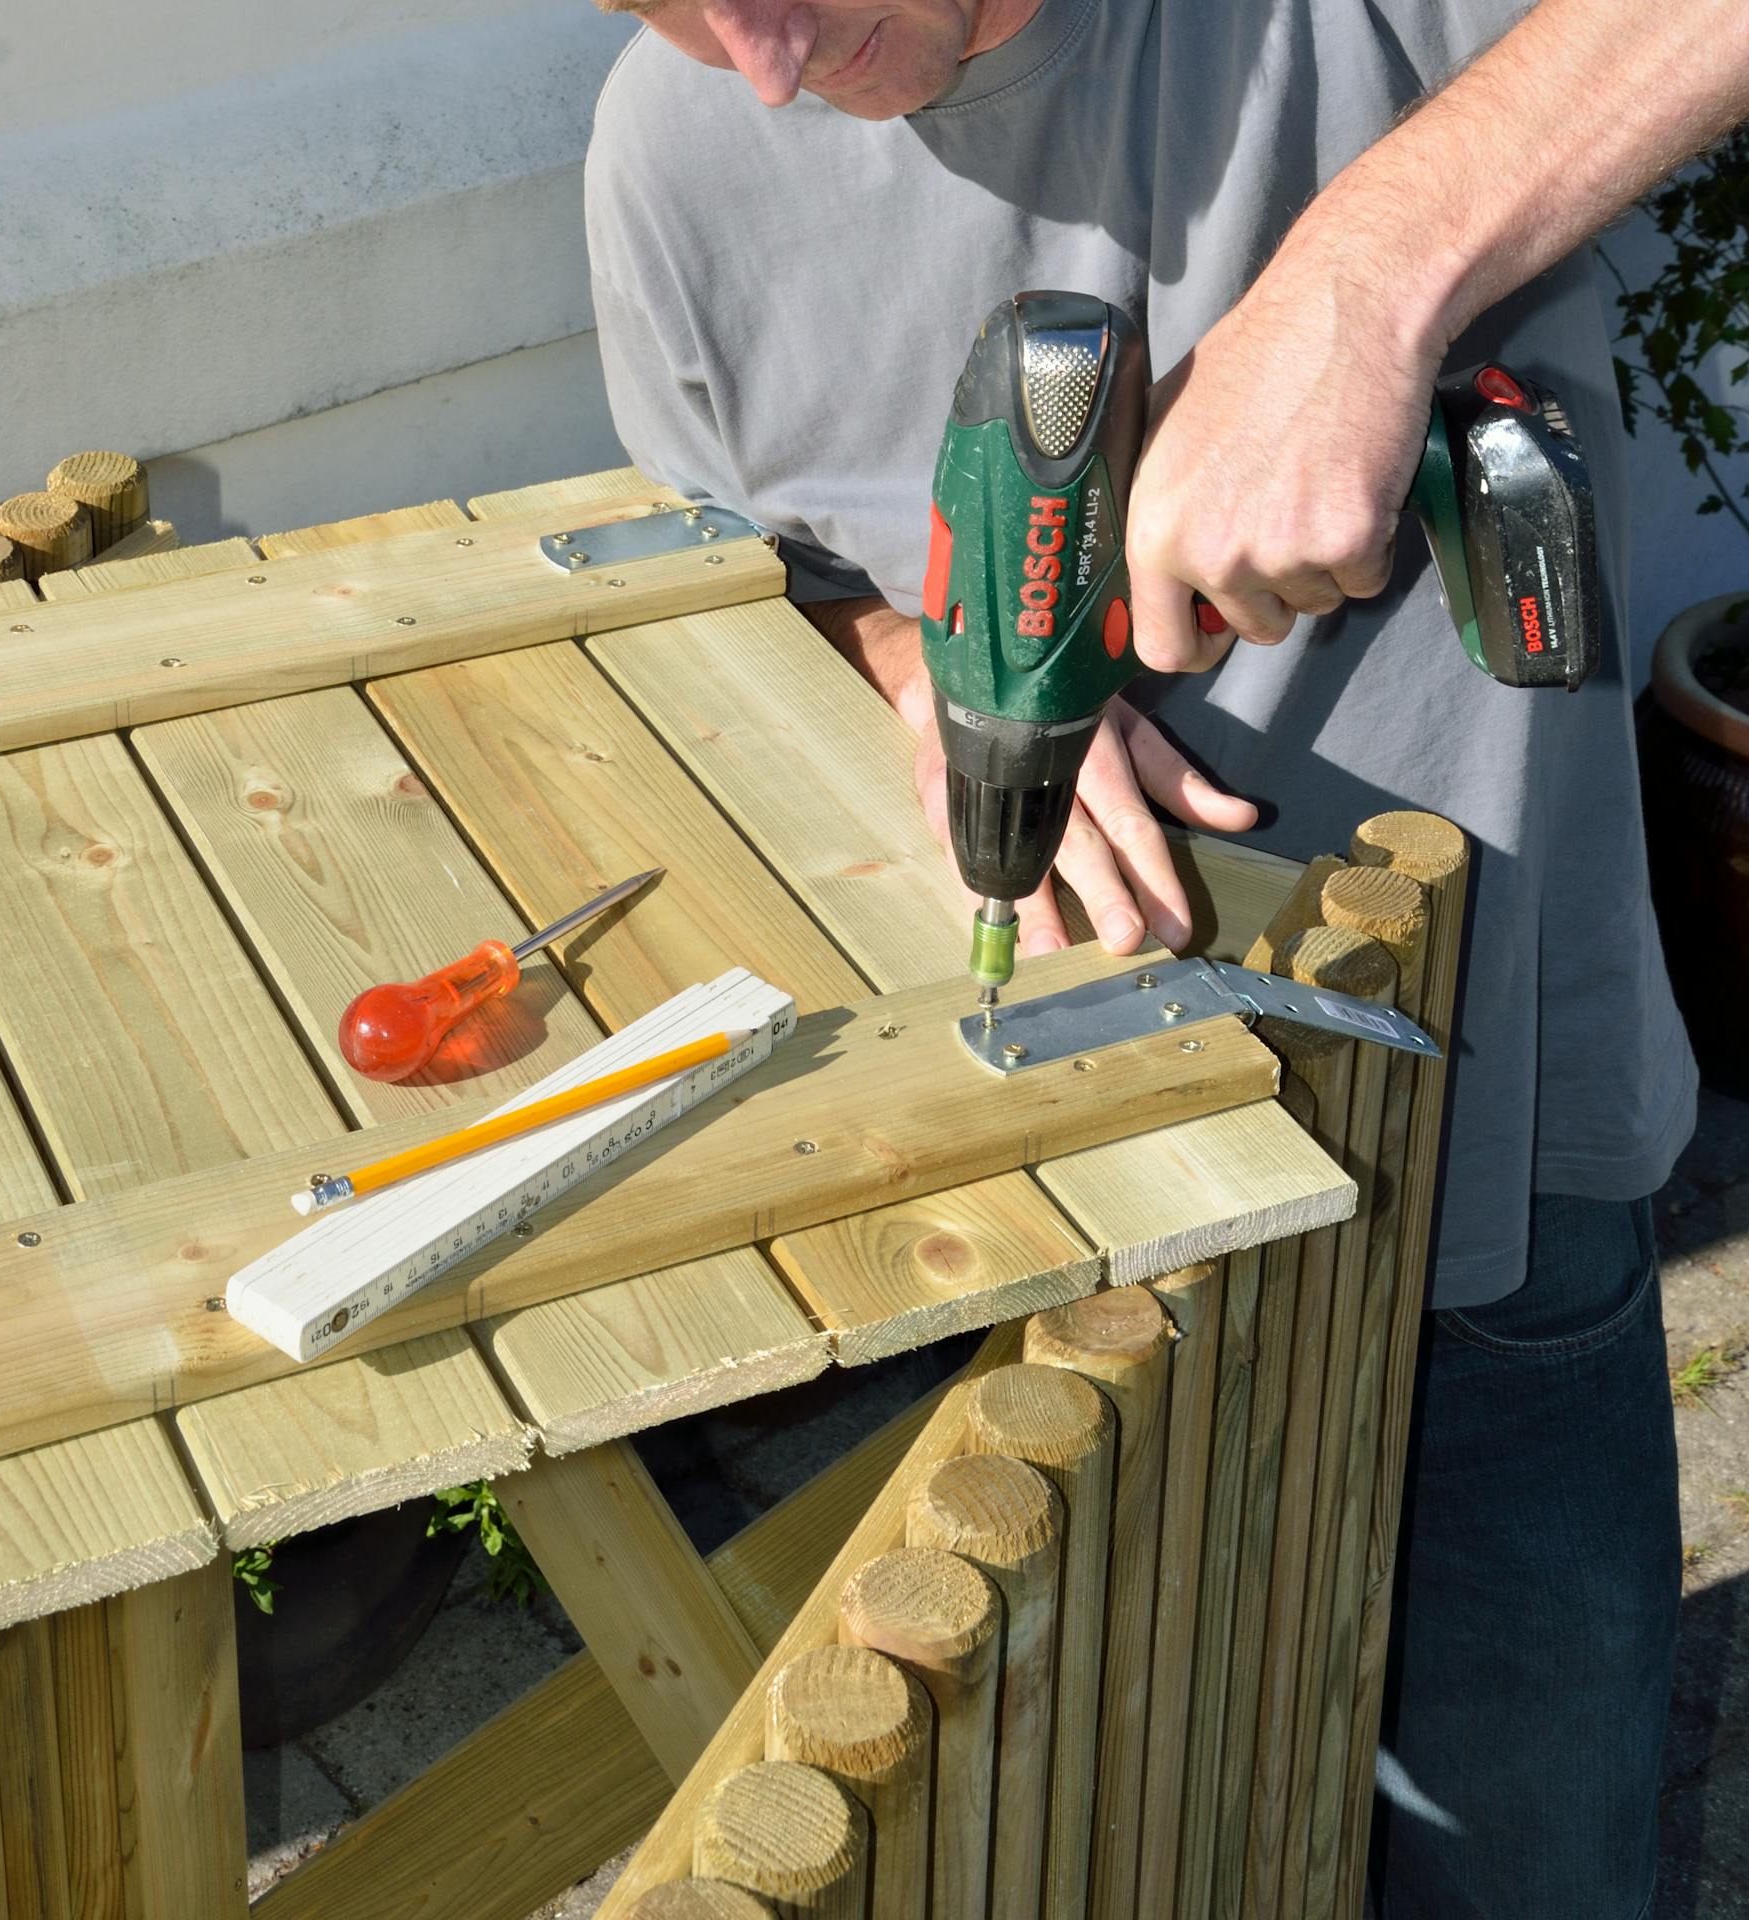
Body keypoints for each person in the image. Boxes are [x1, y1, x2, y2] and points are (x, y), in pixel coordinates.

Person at [582, 2, 1748, 1913]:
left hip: (1479, 1157)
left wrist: (1363, 285)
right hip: (1051, 1224)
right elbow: (736, 549)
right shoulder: (672, 139)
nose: (764, 64)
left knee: (1525, 1835)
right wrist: (909, 658)